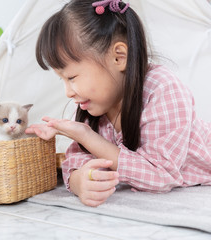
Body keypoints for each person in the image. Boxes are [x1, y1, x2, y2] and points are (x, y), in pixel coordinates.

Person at [25, 0, 211, 207]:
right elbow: (76, 160)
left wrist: (87, 137)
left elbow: (161, 174)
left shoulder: (163, 89)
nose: (68, 92)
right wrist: (79, 181)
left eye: (72, 77)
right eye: (62, 79)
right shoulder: (94, 104)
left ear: (119, 57)